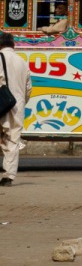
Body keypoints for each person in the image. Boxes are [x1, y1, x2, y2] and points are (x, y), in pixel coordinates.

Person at [0, 32, 31, 186]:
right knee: (13, 139)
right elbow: (28, 88)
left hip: (1, 105)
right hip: (16, 106)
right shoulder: (22, 62)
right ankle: (8, 176)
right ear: (13, 45)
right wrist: (21, 102)